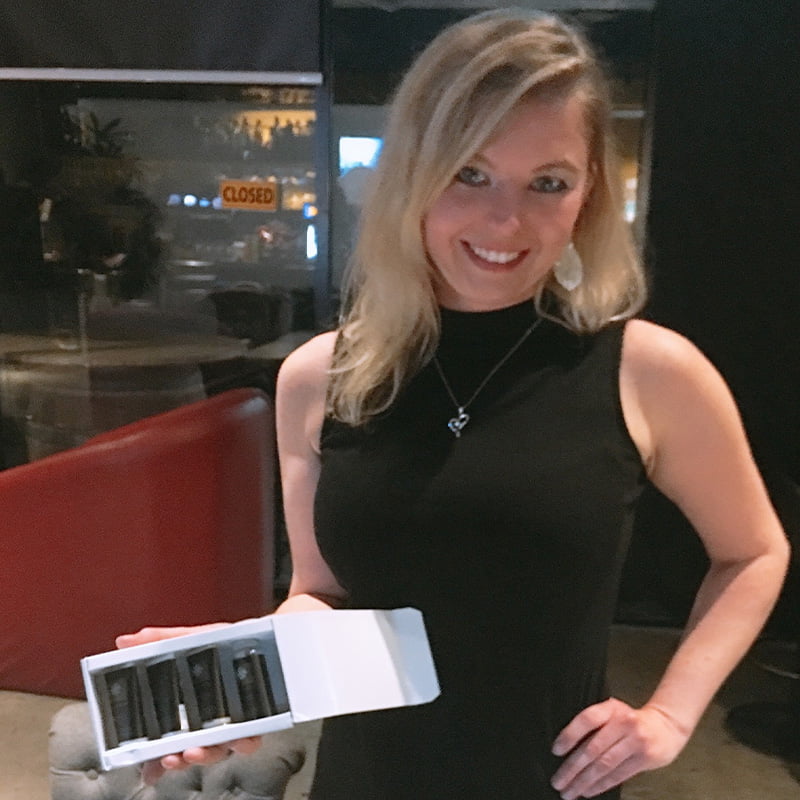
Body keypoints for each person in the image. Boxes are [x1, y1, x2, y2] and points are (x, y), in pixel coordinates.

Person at [119, 9, 789, 799]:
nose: (507, 220)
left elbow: (754, 553)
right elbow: (323, 594)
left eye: (548, 183)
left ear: (588, 195)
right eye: (470, 173)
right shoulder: (320, 377)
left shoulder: (647, 371)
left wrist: (672, 714)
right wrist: (249, 675)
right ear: (414, 174)